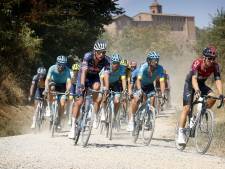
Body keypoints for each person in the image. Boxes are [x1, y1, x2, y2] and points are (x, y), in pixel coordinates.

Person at [177, 46, 224, 145]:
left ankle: (198, 115)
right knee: (186, 108)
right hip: (190, 84)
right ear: (204, 58)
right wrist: (197, 90)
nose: (211, 61)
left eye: (213, 59)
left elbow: (218, 80)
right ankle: (180, 134)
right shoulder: (197, 63)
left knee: (212, 97)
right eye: (209, 58)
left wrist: (221, 94)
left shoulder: (215, 66)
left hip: (201, 84)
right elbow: (194, 79)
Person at [68, 40, 110, 138]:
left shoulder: (107, 60)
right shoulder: (88, 56)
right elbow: (84, 71)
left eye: (103, 52)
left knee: (97, 87)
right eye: (99, 52)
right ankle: (73, 127)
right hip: (83, 77)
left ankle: (93, 110)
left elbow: (106, 75)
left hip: (94, 77)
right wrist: (82, 85)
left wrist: (107, 88)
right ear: (95, 51)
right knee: (79, 101)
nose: (101, 54)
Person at [127, 51, 166, 131]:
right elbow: (138, 80)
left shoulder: (160, 68)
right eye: (154, 60)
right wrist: (139, 90)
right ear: (149, 61)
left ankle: (149, 119)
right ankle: (132, 119)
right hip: (140, 84)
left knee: (153, 98)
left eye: (157, 60)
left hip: (149, 85)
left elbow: (162, 82)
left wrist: (162, 93)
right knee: (137, 99)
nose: (156, 62)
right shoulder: (143, 67)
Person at [44, 55, 72, 130]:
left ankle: (59, 121)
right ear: (56, 63)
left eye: (63, 65)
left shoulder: (67, 70)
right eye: (59, 64)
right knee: (51, 87)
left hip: (62, 86)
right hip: (54, 83)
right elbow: (47, 79)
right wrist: (46, 89)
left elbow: (69, 82)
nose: (61, 66)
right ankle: (49, 108)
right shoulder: (52, 68)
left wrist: (68, 89)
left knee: (62, 104)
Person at [100, 53, 127, 122]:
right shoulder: (107, 67)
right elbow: (103, 79)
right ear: (111, 62)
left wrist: (124, 90)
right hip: (106, 82)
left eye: (118, 63)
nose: (116, 65)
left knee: (117, 101)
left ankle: (114, 115)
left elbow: (123, 80)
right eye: (114, 63)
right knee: (105, 96)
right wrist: (104, 88)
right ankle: (103, 112)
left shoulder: (122, 68)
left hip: (115, 83)